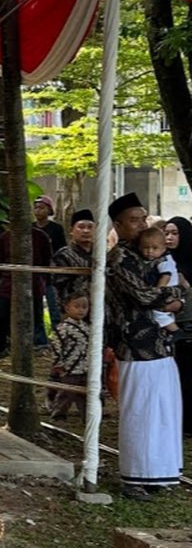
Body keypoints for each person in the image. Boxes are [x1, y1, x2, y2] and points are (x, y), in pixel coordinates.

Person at [103, 192, 185, 500]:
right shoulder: (121, 258)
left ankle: (159, 472)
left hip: (160, 343)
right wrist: (175, 296)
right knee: (140, 410)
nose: (140, 226)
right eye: (133, 221)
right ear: (119, 225)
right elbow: (144, 296)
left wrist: (177, 297)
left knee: (164, 408)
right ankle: (134, 476)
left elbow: (174, 290)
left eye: (143, 219)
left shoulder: (151, 254)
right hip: (135, 345)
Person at [0, 225, 52, 362]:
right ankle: (0, 348)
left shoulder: (40, 236)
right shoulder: (5, 237)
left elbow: (46, 259)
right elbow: (0, 261)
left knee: (36, 317)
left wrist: (40, 277)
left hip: (34, 283)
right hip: (9, 284)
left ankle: (38, 347)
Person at [165, 216, 192, 433]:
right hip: (169, 326)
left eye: (175, 233)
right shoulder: (163, 261)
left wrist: (186, 285)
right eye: (167, 233)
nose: (170, 238)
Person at [47, 291, 91, 420]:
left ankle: (87, 416)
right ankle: (58, 414)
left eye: (84, 307)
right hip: (69, 367)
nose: (81, 310)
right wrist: (58, 363)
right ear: (67, 308)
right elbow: (56, 346)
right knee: (66, 392)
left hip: (85, 366)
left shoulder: (87, 327)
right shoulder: (63, 328)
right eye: (76, 307)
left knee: (85, 394)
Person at [139, 226, 181, 336]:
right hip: (167, 290)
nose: (149, 251)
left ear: (163, 248)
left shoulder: (164, 260)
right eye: (146, 248)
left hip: (166, 289)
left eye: (154, 248)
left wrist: (158, 291)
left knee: (156, 312)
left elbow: (165, 276)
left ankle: (175, 331)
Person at [33, 195, 67, 326]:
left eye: (41, 208)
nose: (38, 211)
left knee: (54, 307)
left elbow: (61, 249)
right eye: (36, 208)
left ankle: (57, 337)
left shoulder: (56, 229)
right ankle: (39, 341)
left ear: (49, 210)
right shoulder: (30, 228)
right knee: (36, 309)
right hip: (34, 273)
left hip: (51, 274)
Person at [50, 209, 94, 310]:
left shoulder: (102, 255)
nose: (86, 231)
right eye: (81, 227)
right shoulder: (63, 255)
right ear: (71, 231)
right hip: (73, 310)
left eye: (90, 227)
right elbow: (56, 288)